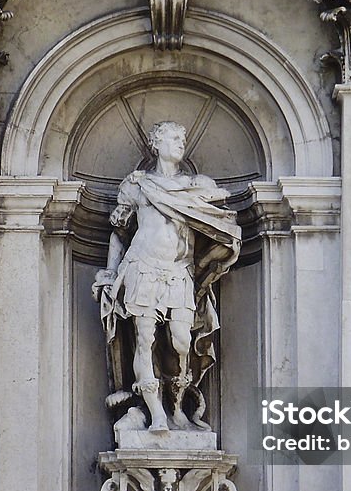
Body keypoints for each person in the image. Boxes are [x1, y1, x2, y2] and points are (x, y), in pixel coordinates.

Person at [93, 121, 241, 432]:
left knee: (182, 342)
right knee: (144, 339)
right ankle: (157, 414)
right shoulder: (136, 185)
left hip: (179, 271)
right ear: (156, 144)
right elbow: (120, 234)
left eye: (183, 138)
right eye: (173, 137)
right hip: (143, 268)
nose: (180, 142)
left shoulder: (196, 185)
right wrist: (109, 271)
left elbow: (222, 214)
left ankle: (177, 409)